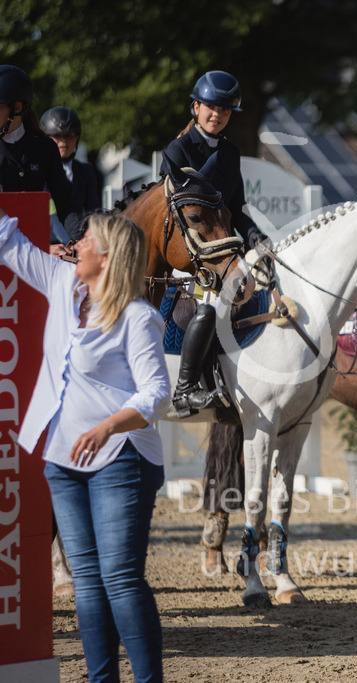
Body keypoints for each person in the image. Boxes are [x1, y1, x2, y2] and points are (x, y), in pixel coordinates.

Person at [0, 208, 170, 682]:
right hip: (62, 458)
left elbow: (156, 393)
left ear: (108, 254)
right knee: (88, 585)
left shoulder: (137, 317)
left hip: (122, 459)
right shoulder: (62, 284)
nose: (76, 243)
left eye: (87, 238)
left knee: (119, 579)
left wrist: (107, 427)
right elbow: (6, 242)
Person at [160, 69, 266, 415]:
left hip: (219, 251)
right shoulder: (176, 151)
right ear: (196, 107)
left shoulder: (231, 153)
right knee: (212, 303)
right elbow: (177, 215)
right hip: (184, 251)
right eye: (210, 108)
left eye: (224, 111)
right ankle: (186, 387)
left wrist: (256, 237)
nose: (217, 115)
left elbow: (236, 209)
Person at [0, 65, 83, 247]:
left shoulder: (45, 148)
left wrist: (78, 240)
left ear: (17, 107)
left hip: (34, 246)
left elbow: (65, 204)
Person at [41, 106, 102, 218]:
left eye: (69, 136)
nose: (64, 142)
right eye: (57, 136)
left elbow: (94, 210)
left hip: (78, 231)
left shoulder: (86, 171)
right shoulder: (39, 170)